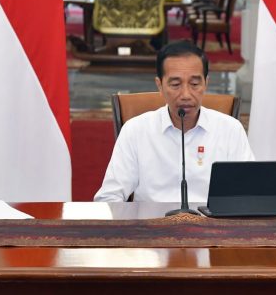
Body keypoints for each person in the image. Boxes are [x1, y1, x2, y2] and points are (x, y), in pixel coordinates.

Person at [95, 41, 254, 202]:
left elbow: (249, 193)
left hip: (211, 225)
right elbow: (108, 197)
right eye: (176, 84)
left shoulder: (230, 130)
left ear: (206, 83)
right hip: (151, 224)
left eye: (194, 84)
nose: (185, 94)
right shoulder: (135, 130)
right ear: (160, 85)